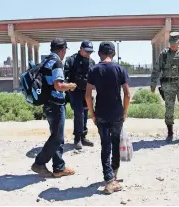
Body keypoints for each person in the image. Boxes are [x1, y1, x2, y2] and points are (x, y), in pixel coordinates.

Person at [85, 41, 131, 194]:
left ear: (99, 54)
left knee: (105, 146)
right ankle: (114, 175)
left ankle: (109, 178)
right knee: (116, 142)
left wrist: (92, 114)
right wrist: (124, 112)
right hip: (117, 113)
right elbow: (127, 94)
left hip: (101, 114)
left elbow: (88, 95)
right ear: (113, 54)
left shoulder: (94, 70)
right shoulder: (120, 69)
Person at [31, 38, 77, 178]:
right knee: (57, 137)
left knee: (57, 135)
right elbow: (58, 85)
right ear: (63, 50)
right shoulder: (57, 62)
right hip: (56, 104)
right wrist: (71, 86)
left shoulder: (46, 60)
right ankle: (39, 163)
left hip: (48, 104)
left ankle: (58, 168)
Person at [150, 32, 179, 143]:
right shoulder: (164, 54)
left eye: (175, 43)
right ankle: (170, 134)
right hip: (168, 85)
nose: (173, 45)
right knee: (169, 109)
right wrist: (153, 83)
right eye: (171, 43)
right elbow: (156, 69)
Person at [64, 40, 96, 150]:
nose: (88, 54)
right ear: (81, 49)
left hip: (86, 91)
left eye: (90, 52)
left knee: (86, 112)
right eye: (87, 51)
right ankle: (77, 138)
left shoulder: (92, 62)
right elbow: (64, 76)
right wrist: (68, 86)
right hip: (75, 91)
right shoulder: (71, 60)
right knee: (79, 113)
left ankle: (83, 136)